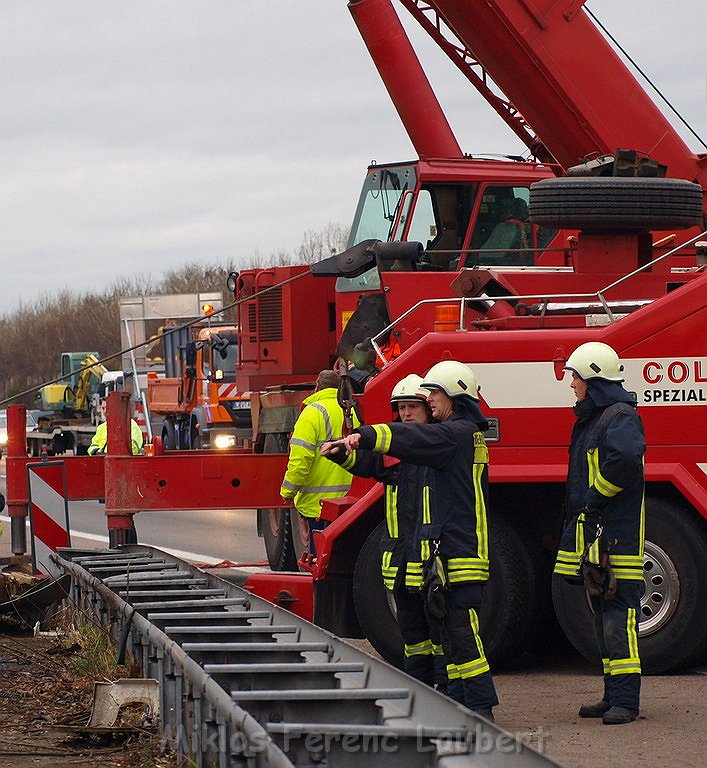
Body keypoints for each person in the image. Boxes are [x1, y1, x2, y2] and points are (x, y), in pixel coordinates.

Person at [331, 360, 498, 720]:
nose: (428, 401)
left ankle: (481, 706)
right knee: (446, 634)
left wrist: (369, 434)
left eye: (433, 394)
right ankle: (456, 702)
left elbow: (411, 439)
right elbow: (385, 463)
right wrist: (346, 455)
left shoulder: (455, 434)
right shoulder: (451, 437)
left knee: (460, 633)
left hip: (459, 554)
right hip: (441, 554)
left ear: (454, 393)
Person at [321, 374, 447, 691]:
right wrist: (340, 453)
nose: (406, 414)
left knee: (442, 633)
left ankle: (448, 694)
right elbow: (368, 463)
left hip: (431, 563)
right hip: (402, 562)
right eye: (401, 408)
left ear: (428, 409)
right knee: (412, 636)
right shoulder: (396, 453)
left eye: (412, 407)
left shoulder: (439, 447)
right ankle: (420, 691)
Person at [554, 341, 645, 725]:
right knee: (602, 615)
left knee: (618, 615)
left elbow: (623, 462)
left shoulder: (619, 416)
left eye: (575, 376)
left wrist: (594, 497)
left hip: (617, 538)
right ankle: (613, 695)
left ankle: (626, 700)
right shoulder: (598, 418)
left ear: (592, 378)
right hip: (601, 535)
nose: (571, 384)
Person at [279, 369, 356, 555]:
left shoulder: (311, 414)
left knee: (321, 559)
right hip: (351, 502)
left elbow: (300, 459)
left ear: (316, 388)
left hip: (318, 507)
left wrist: (288, 491)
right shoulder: (353, 411)